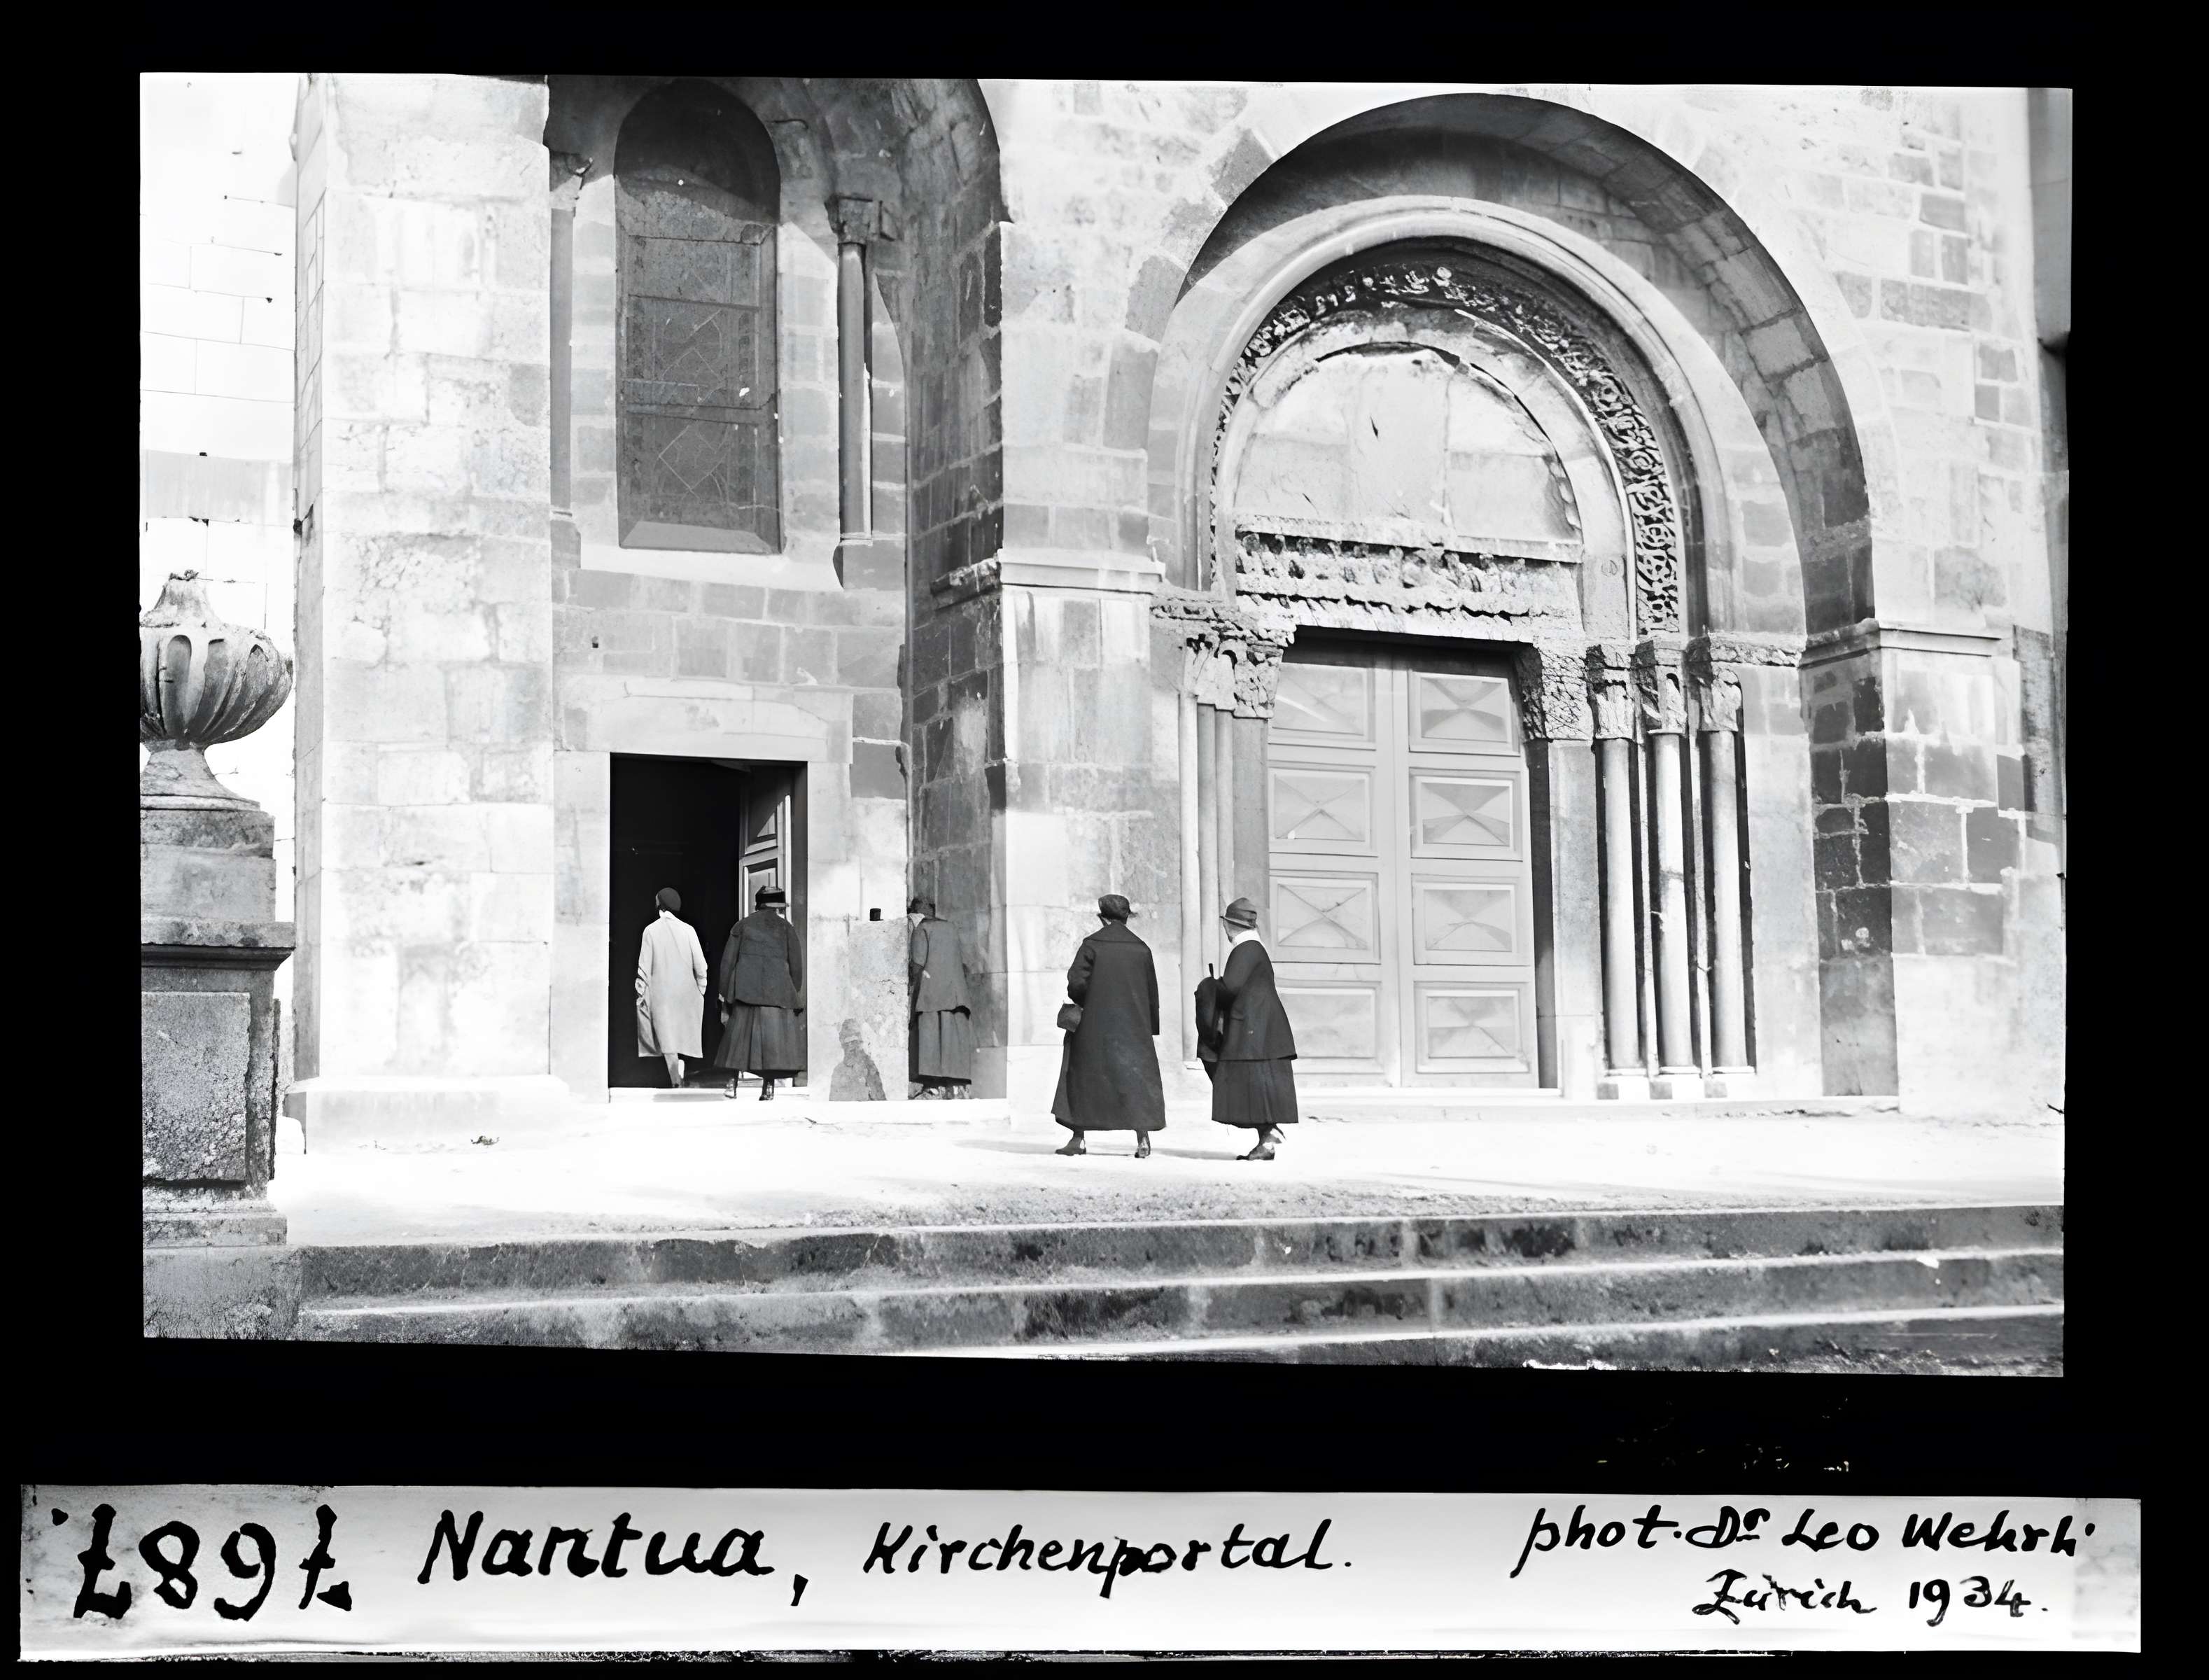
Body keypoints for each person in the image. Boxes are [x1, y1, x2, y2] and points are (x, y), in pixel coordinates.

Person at [1050, 895, 1167, 1157]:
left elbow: (1076, 983)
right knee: (1136, 1079)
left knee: (1081, 1075)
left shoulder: (1092, 945)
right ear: (1127, 918)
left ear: (1102, 918)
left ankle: (1078, 1139)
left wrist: (1085, 1000)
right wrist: (1149, 1027)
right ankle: (1143, 1139)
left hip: (1094, 1024)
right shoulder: (1142, 948)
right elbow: (1151, 991)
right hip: (1134, 1027)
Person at [1207, 897, 1298, 1160]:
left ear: (1228, 925)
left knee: (1246, 1084)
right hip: (1260, 1030)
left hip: (1252, 1031)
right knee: (1257, 1087)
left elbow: (1231, 988)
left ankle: (1269, 1134)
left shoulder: (1245, 949)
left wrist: (1209, 987)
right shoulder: (1254, 948)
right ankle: (1267, 1138)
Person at [713, 886, 806, 1100]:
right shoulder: (786, 928)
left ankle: (732, 1084)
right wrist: (792, 992)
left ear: (758, 904)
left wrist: (724, 993)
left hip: (745, 992)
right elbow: (796, 967)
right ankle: (768, 1088)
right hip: (777, 995)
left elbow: (728, 962)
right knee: (771, 1046)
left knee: (738, 1041)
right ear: (778, 906)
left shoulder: (743, 926)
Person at [636, 886, 708, 1088]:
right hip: (687, 994)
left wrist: (641, 995)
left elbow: (644, 968)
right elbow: (701, 966)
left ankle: (676, 1080)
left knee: (668, 1041)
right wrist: (700, 991)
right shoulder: (689, 930)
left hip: (662, 995)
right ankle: (678, 1072)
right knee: (681, 1036)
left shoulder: (650, 931)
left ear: (659, 905)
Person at [908, 896, 975, 1098]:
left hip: (932, 995)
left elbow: (918, 963)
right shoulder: (952, 928)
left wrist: (911, 982)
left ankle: (932, 1086)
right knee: (954, 1040)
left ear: (916, 912)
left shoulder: (922, 929)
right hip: (957, 994)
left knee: (930, 1039)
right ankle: (956, 1087)